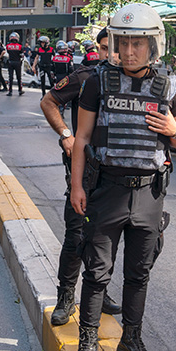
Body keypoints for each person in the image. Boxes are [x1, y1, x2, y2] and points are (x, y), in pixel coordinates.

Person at [70, 4, 176, 351]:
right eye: (123, 42)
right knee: (97, 271)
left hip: (149, 194)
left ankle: (131, 339)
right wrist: (77, 185)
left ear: (153, 44)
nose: (129, 51)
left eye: (137, 43)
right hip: (107, 188)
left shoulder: (168, 87)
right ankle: (87, 341)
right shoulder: (96, 82)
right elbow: (82, 138)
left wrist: (173, 132)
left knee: (139, 272)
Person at [40, 28, 122, 325]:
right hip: (84, 169)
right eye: (104, 48)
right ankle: (65, 296)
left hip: (118, 172)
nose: (110, 54)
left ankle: (99, 292)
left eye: (115, 47)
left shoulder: (133, 81)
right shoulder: (84, 76)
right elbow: (49, 101)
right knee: (76, 234)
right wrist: (66, 135)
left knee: (107, 238)